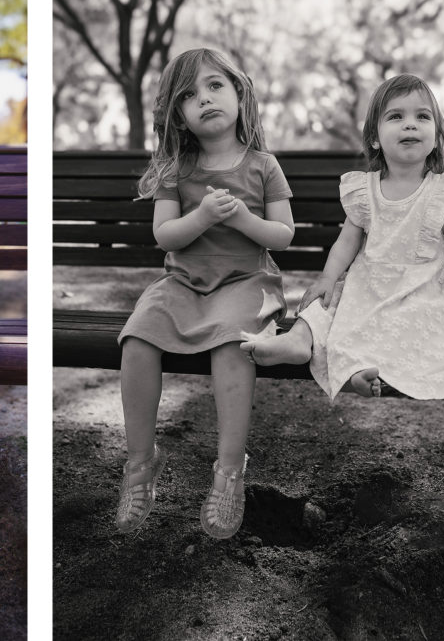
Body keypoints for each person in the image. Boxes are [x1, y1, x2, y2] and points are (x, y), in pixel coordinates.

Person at [240, 73, 444, 400]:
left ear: (437, 135)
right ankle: (299, 340)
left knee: (407, 327)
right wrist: (328, 277)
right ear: (374, 138)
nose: (410, 124)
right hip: (367, 284)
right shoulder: (363, 190)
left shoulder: (443, 191)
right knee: (329, 303)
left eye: (422, 117)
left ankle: (357, 374)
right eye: (396, 116)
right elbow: (346, 242)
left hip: (420, 291)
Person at [115, 48, 295, 539]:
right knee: (135, 340)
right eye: (190, 95)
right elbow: (165, 236)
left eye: (216, 86)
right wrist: (203, 217)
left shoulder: (262, 165)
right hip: (182, 284)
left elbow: (283, 235)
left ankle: (229, 470)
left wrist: (239, 217)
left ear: (239, 93)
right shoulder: (176, 168)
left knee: (235, 345)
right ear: (179, 116)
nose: (205, 99)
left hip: (246, 284)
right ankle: (139, 464)